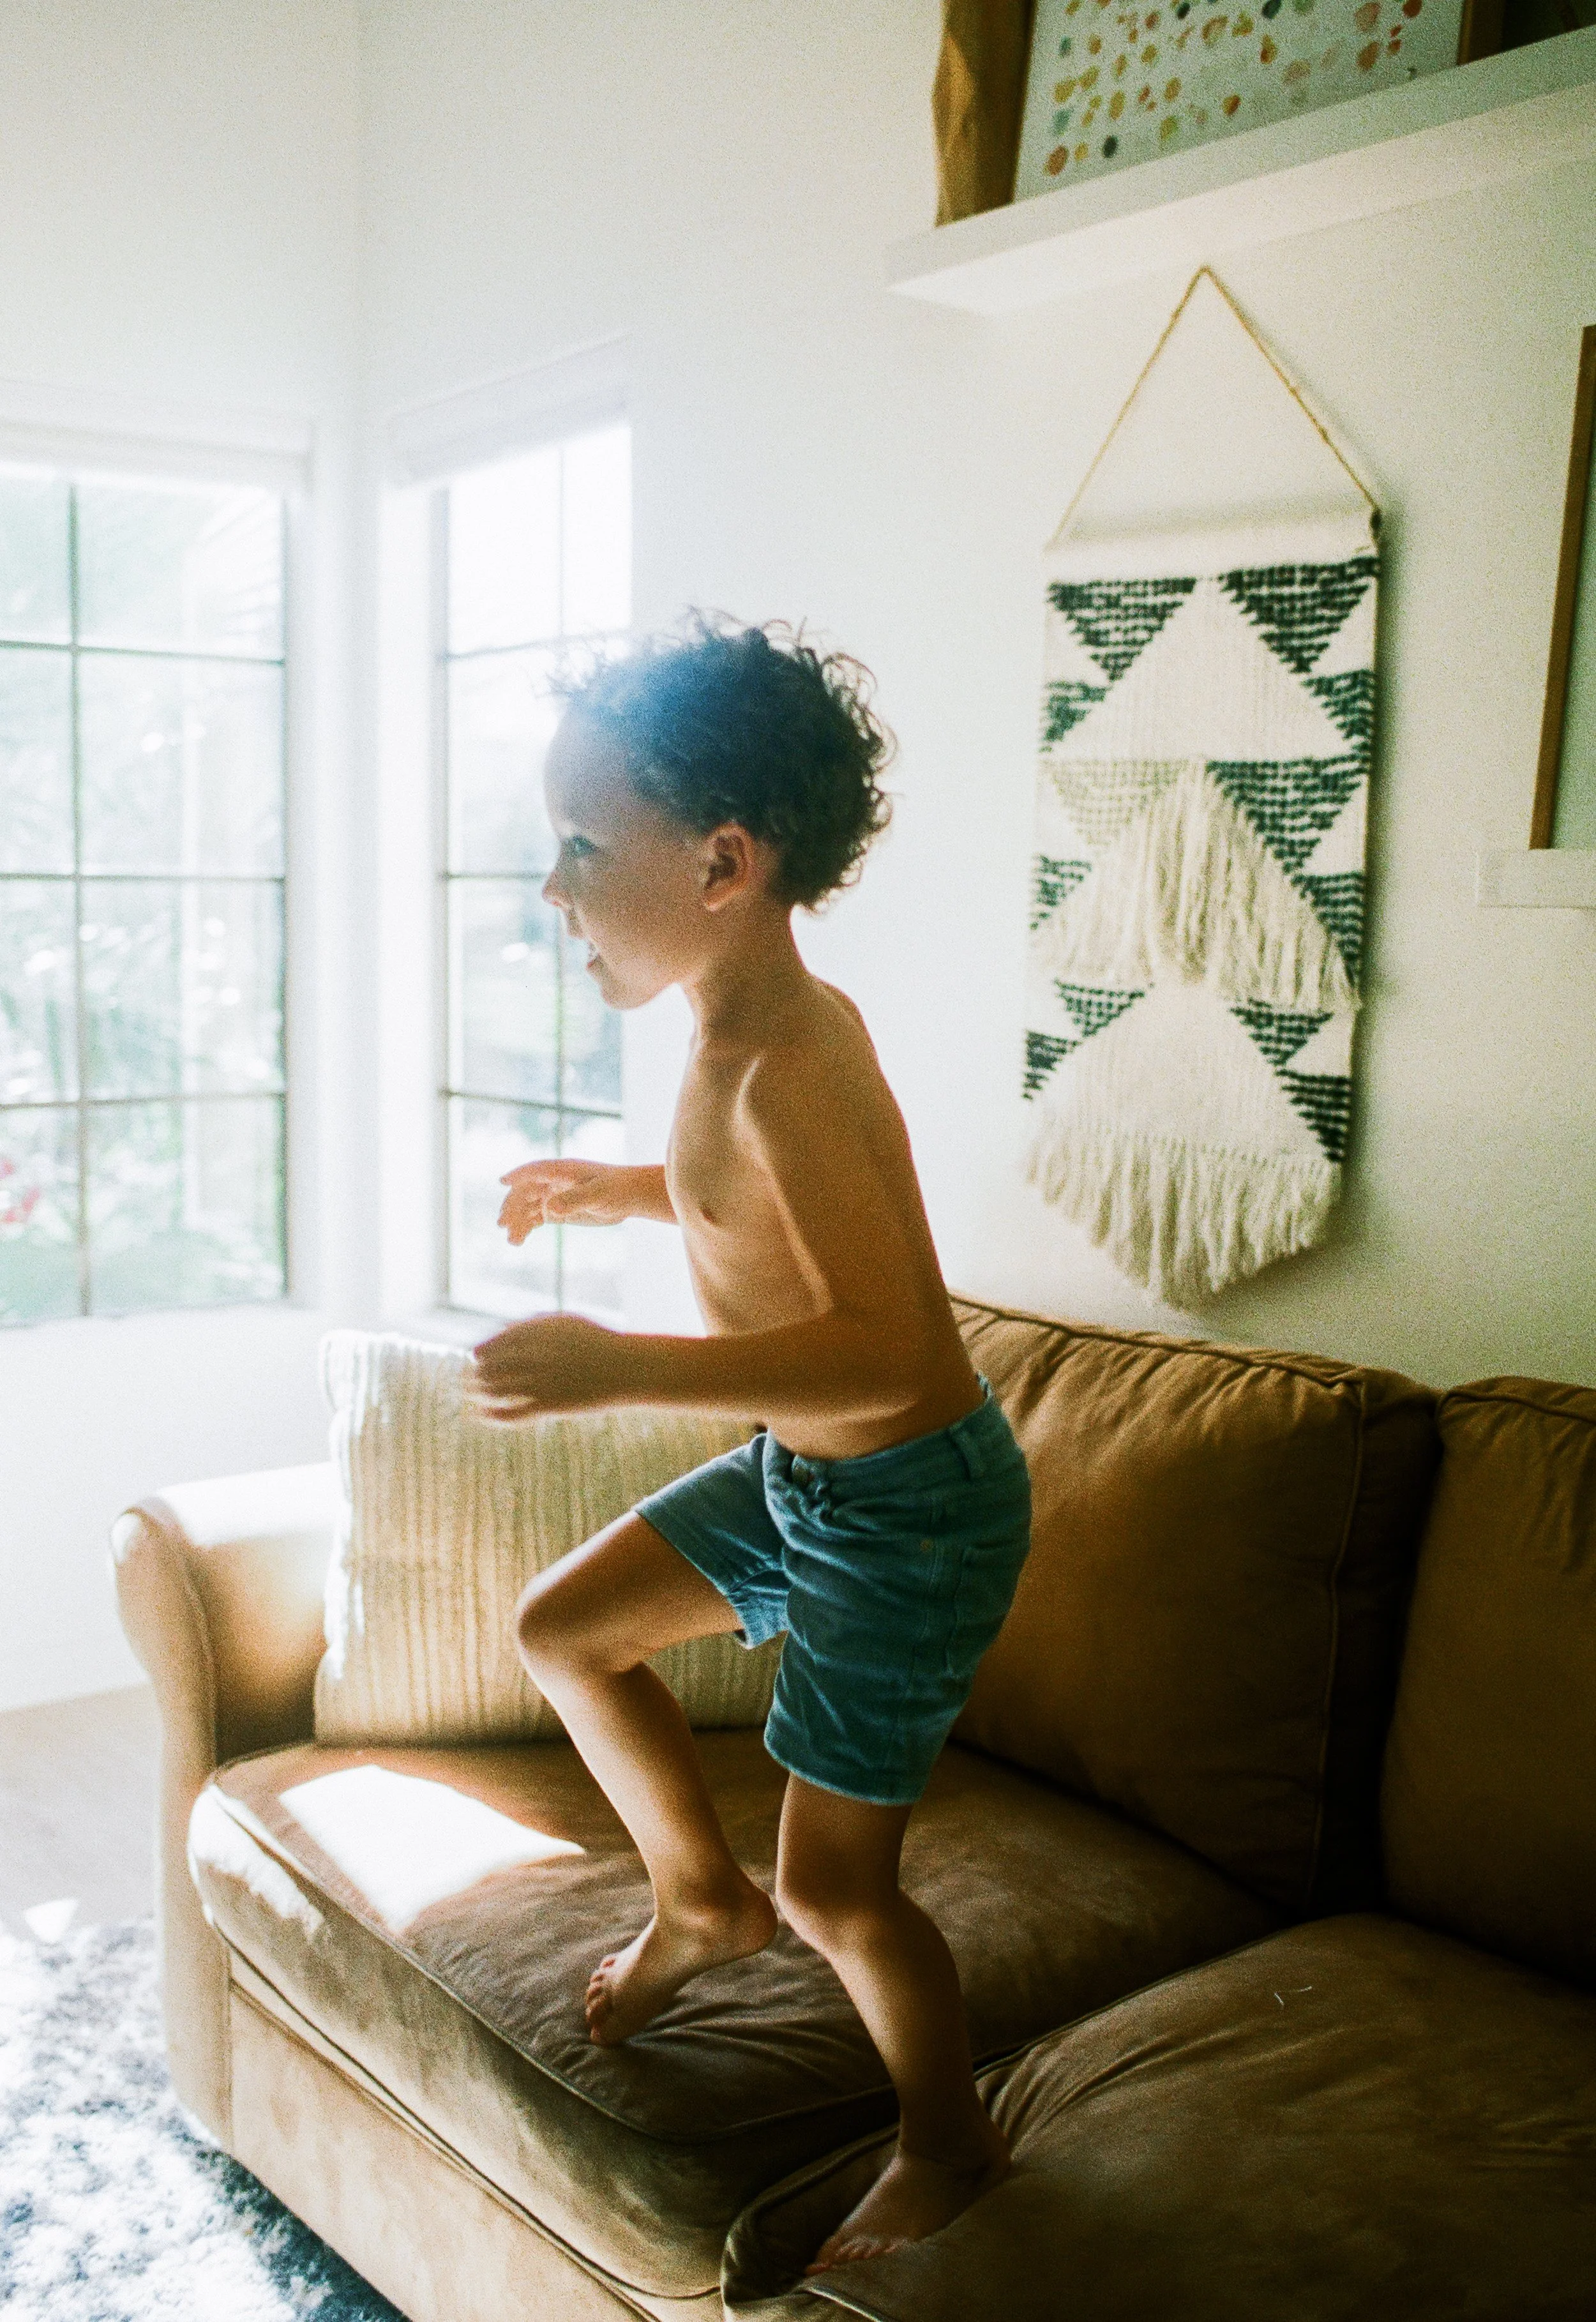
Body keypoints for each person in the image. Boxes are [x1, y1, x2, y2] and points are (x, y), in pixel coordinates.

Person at [470, 620, 1032, 2273]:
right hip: (816, 1471)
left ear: (722, 859)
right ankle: (692, 1901)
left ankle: (953, 2139)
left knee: (842, 1894)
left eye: (581, 845)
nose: (553, 888)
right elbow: (734, 1198)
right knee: (564, 1628)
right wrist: (616, 1186)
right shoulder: (728, 1034)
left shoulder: (792, 1063)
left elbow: (892, 1348)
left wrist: (613, 1368)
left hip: (906, 1503)